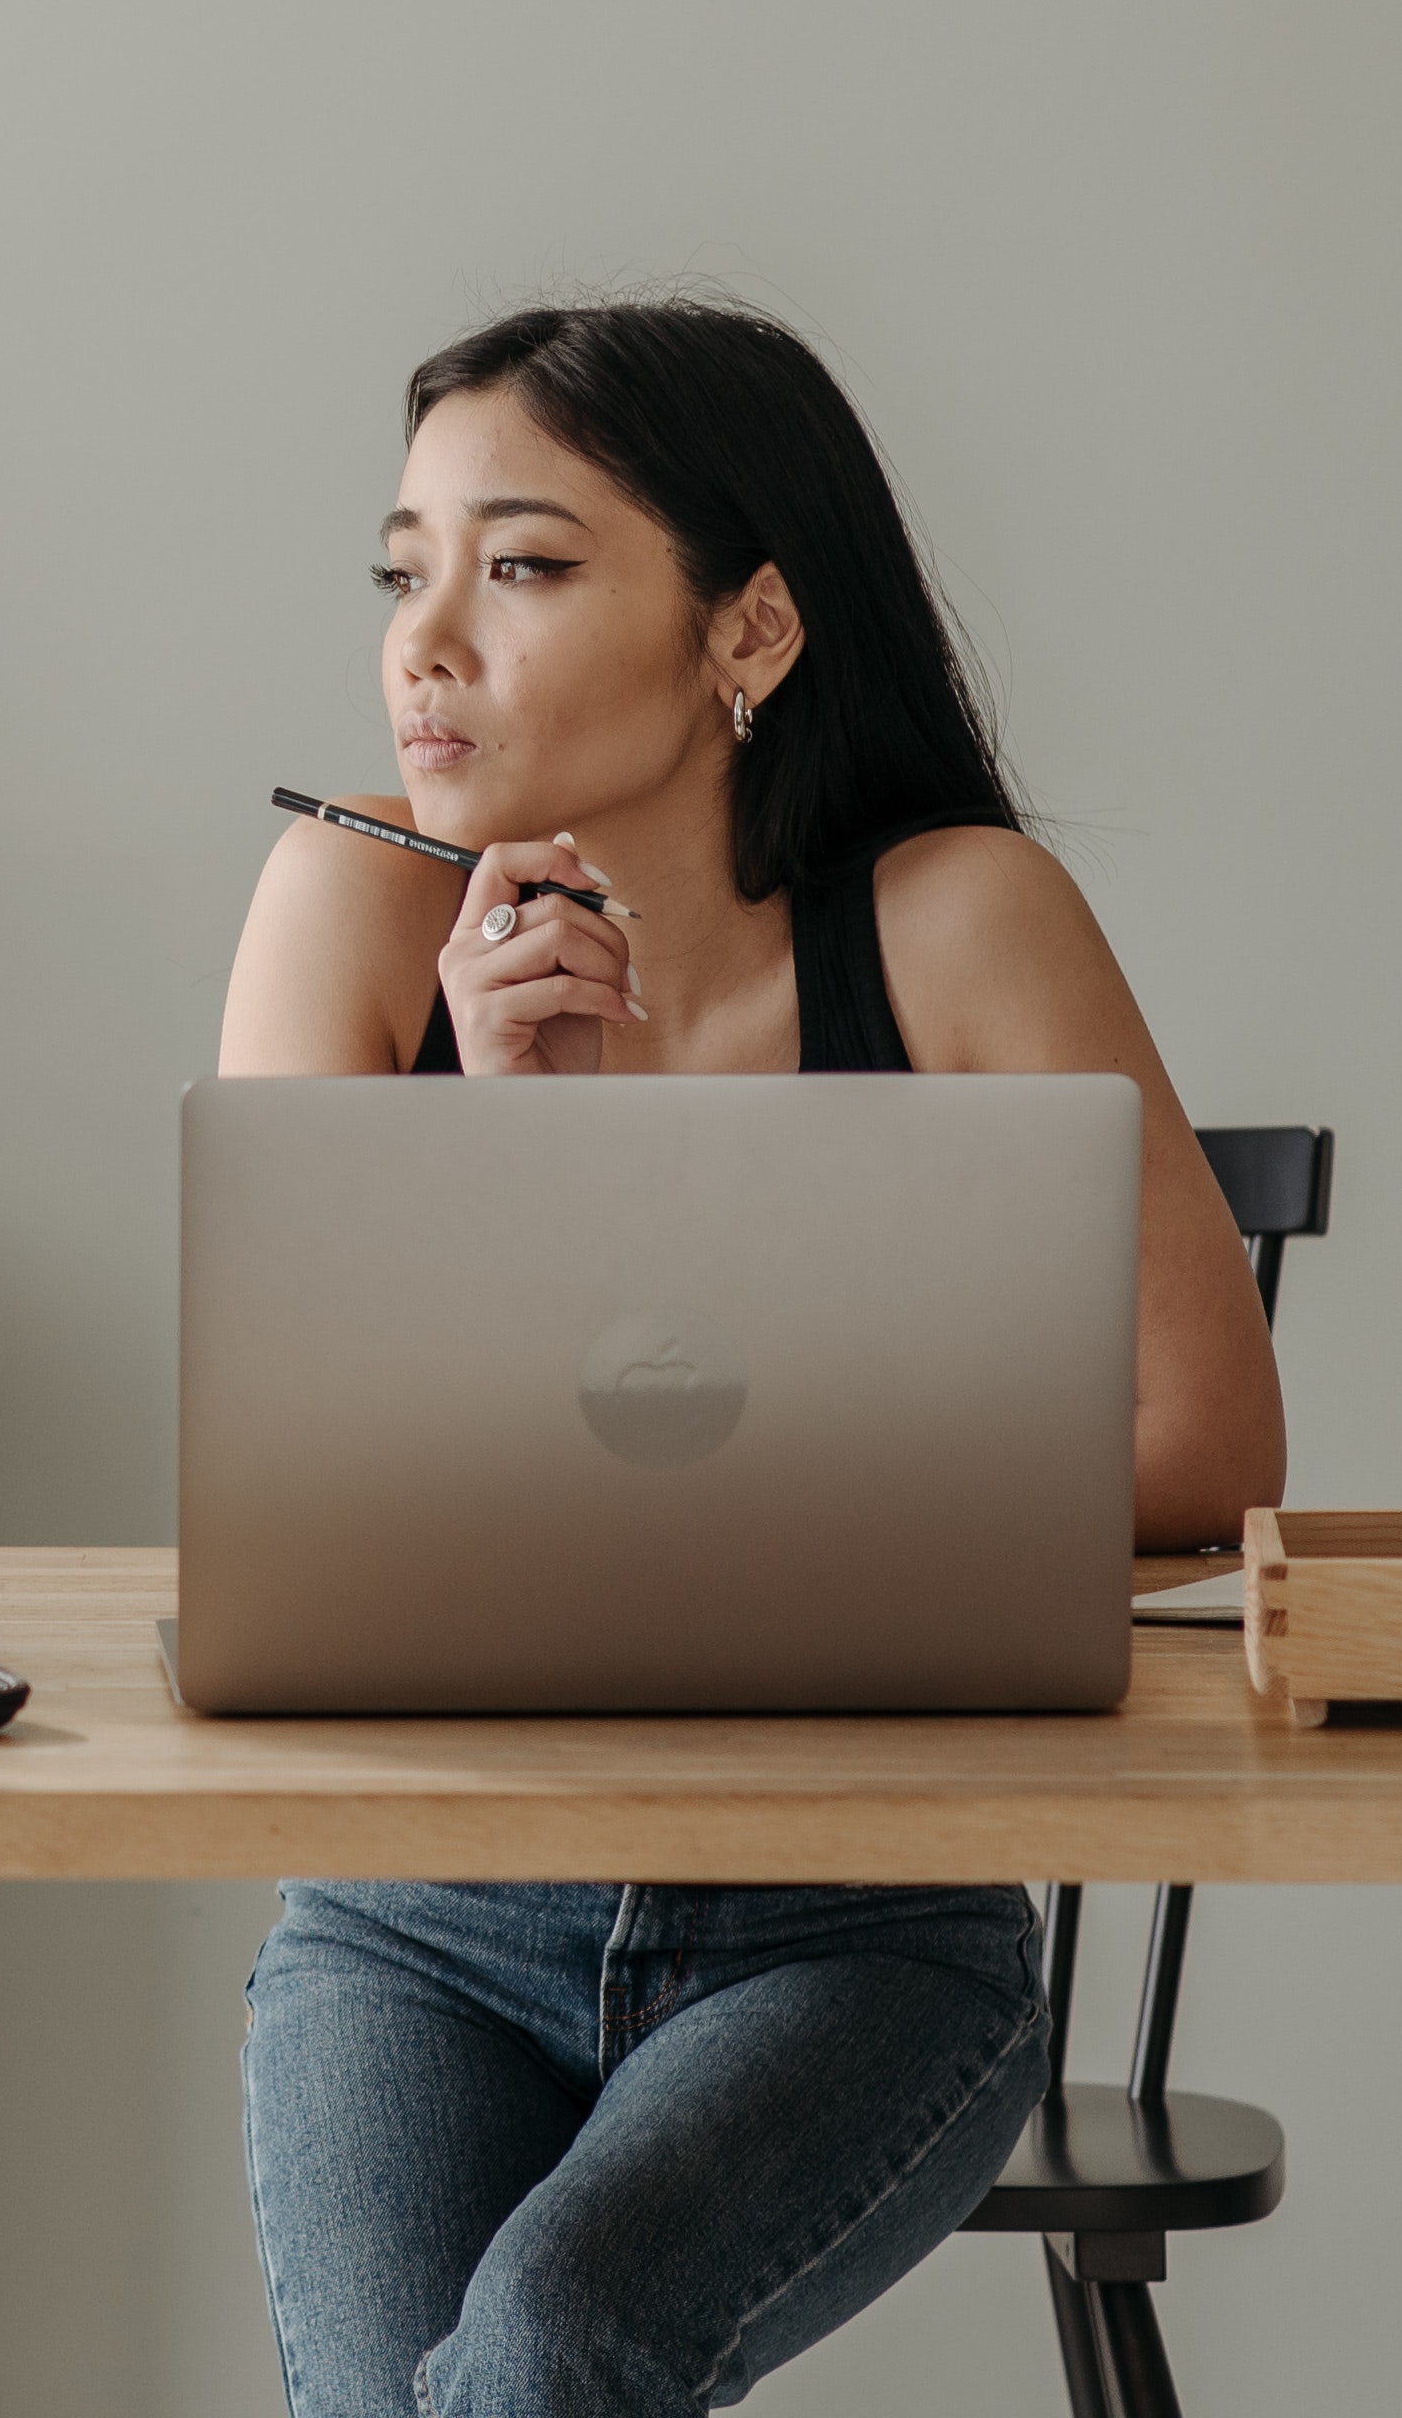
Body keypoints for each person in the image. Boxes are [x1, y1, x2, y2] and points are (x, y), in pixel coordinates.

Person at [220, 296, 1288, 2418]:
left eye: (516, 565)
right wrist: (515, 1161)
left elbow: (1203, 1438)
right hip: (418, 1915)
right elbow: (288, 1482)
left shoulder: (954, 922)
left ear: (750, 634)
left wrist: (640, 1241)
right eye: (398, 568)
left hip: (859, 1924)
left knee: (541, 2357)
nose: (423, 640)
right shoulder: (349, 901)